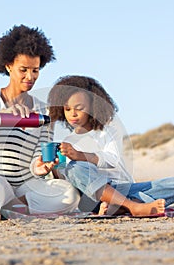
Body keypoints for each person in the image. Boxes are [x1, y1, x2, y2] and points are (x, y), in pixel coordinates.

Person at [0, 25, 80, 223]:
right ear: (8, 65)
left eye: (35, 70)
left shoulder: (44, 110)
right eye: (23, 70)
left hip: (27, 185)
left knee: (69, 194)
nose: (30, 77)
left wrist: (39, 166)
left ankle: (3, 207)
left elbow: (37, 155)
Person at [48, 75, 174, 216]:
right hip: (95, 196)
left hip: (124, 188)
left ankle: (121, 206)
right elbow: (74, 178)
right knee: (74, 168)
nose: (73, 114)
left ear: (93, 106)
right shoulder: (68, 141)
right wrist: (54, 168)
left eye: (79, 108)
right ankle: (132, 206)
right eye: (67, 109)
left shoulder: (108, 131)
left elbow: (111, 160)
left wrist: (80, 155)